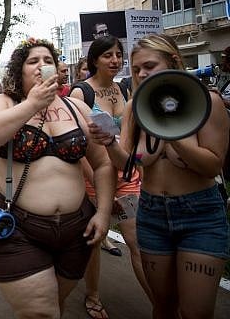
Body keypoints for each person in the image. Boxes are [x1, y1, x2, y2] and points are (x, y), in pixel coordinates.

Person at [90, 34, 230, 319]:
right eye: (137, 68)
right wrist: (110, 143)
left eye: (150, 66)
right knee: (163, 306)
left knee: (195, 312)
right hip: (152, 215)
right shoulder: (135, 108)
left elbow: (212, 166)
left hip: (199, 215)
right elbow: (129, 165)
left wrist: (172, 132)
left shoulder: (207, 102)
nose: (142, 73)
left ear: (173, 61)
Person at [0, 37, 115, 317]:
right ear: (19, 71)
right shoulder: (5, 102)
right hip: (17, 229)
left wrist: (103, 212)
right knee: (43, 312)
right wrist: (32, 103)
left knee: (56, 307)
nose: (42, 65)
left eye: (48, 60)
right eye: (33, 61)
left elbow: (103, 165)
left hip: (76, 231)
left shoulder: (76, 108)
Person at [69, 35, 151, 318]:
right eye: (108, 56)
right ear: (94, 60)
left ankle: (161, 305)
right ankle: (92, 295)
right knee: (96, 238)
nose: (115, 60)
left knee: (138, 241)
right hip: (94, 177)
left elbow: (128, 139)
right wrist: (103, 188)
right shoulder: (80, 93)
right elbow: (76, 148)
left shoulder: (123, 90)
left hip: (126, 176)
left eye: (118, 55)